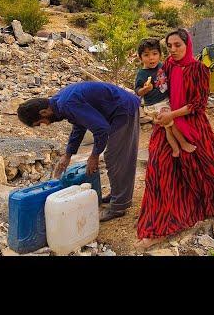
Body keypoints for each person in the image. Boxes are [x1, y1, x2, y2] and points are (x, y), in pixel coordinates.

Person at [136, 29, 214, 250]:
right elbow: (157, 92)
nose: (173, 50)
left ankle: (204, 208)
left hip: (192, 124)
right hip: (166, 122)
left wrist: (172, 115)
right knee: (159, 168)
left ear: (187, 44)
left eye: (177, 45)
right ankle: (160, 222)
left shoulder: (199, 69)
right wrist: (156, 109)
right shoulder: (167, 66)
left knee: (203, 168)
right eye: (169, 46)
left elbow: (198, 104)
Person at [17, 81, 140, 222]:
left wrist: (94, 156)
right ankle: (117, 194)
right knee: (114, 156)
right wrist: (68, 155)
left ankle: (119, 206)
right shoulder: (60, 102)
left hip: (124, 109)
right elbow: (79, 126)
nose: (44, 125)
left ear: (44, 112)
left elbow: (101, 129)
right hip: (117, 109)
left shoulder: (67, 104)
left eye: (40, 123)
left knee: (116, 157)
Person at [135, 37, 196, 158]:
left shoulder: (162, 66)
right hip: (154, 105)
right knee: (171, 123)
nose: (151, 58)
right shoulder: (141, 74)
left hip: (165, 101)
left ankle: (175, 150)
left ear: (160, 55)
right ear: (140, 57)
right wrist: (145, 90)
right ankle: (182, 145)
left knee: (168, 128)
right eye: (146, 55)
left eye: (154, 54)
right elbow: (137, 91)